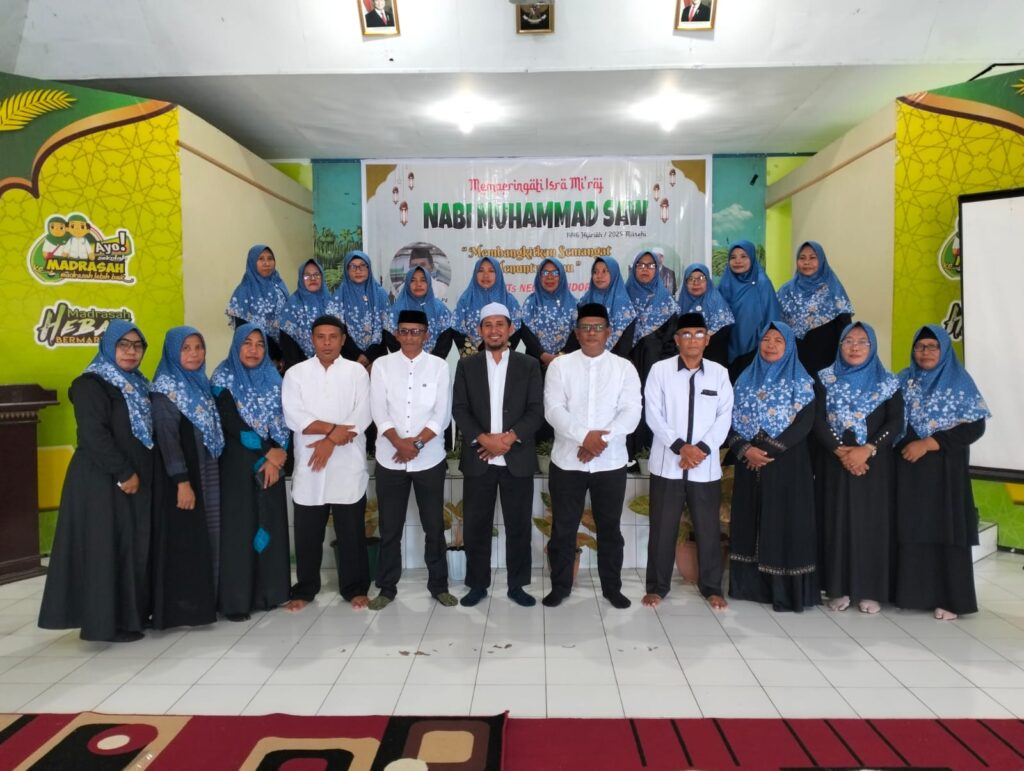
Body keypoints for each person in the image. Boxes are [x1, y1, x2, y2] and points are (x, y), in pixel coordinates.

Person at [39, 320, 154, 642]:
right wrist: (123, 473)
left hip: (132, 479)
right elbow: (93, 434)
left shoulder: (138, 383)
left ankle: (130, 616)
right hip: (102, 481)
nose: (131, 352)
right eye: (123, 344)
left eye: (137, 346)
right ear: (108, 346)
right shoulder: (90, 384)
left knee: (128, 548)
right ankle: (104, 624)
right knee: (105, 549)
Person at [543, 303, 642, 609]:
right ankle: (560, 586)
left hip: (609, 463)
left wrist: (600, 441)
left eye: (598, 327)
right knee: (563, 528)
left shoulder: (624, 368)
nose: (591, 333)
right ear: (577, 332)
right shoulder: (560, 366)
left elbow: (631, 412)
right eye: (585, 327)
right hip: (567, 461)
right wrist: (585, 437)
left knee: (609, 529)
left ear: (608, 332)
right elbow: (554, 410)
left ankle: (612, 588)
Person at [452, 302, 545, 607]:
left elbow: (536, 410)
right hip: (479, 458)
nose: (494, 330)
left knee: (518, 526)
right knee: (476, 526)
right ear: (480, 330)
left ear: (510, 329)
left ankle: (517, 586)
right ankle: (477, 585)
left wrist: (508, 439)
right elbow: (459, 409)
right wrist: (484, 439)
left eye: (500, 325)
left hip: (516, 457)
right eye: (488, 325)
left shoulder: (528, 365)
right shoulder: (467, 365)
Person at [894, 325, 990, 620]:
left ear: (945, 350)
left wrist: (928, 443)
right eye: (920, 346)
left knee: (946, 530)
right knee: (911, 528)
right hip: (908, 470)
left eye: (932, 347)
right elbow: (890, 418)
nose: (925, 352)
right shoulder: (904, 380)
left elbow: (975, 427)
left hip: (945, 471)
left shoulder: (959, 382)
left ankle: (951, 599)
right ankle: (912, 594)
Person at [642, 312, 733, 610]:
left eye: (699, 334)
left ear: (707, 340)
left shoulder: (719, 373)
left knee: (708, 529)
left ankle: (711, 588)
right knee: (662, 529)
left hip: (704, 467)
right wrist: (681, 447)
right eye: (686, 334)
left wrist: (700, 450)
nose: (693, 340)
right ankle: (657, 587)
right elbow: (653, 414)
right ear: (677, 339)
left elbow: (724, 417)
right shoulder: (660, 371)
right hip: (668, 464)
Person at [726, 321, 819, 613]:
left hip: (787, 462)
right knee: (749, 518)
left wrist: (767, 450)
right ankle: (749, 587)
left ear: (789, 346)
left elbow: (805, 423)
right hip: (748, 461)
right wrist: (745, 449)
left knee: (785, 522)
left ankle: (785, 591)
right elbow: (726, 419)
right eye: (766, 339)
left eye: (779, 340)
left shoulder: (801, 381)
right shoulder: (744, 379)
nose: (771, 345)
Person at [282, 316, 372, 612]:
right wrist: (333, 431)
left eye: (333, 337)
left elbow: (363, 415)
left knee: (351, 532)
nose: (327, 343)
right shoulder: (296, 374)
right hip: (310, 464)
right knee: (307, 532)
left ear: (343, 340)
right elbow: (294, 416)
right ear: (312, 339)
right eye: (321, 337)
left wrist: (329, 441)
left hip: (347, 462)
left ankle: (355, 588)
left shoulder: (357, 372)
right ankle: (306, 588)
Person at [368, 309, 456, 609]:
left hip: (428, 459)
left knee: (434, 526)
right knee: (390, 527)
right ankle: (386, 588)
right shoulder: (382, 366)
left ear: (426, 335)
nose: (409, 337)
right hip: (390, 458)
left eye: (416, 331)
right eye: (404, 331)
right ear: (396, 334)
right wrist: (398, 442)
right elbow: (378, 410)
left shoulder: (439, 367)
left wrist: (416, 444)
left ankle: (439, 586)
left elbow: (441, 415)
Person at [813, 322, 903, 614]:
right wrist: (841, 451)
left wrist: (868, 449)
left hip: (874, 465)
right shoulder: (825, 378)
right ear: (840, 345)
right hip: (834, 463)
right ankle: (837, 588)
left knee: (870, 525)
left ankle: (869, 590)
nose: (855, 347)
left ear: (872, 346)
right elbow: (817, 419)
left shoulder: (887, 383)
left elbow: (895, 421)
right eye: (848, 341)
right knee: (835, 522)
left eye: (862, 342)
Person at [211, 324, 291, 621]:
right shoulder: (223, 377)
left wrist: (277, 456)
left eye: (259, 344)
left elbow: (286, 421)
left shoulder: (274, 379)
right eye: (247, 343)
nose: (254, 350)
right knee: (240, 528)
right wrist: (268, 452)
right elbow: (231, 422)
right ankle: (237, 601)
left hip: (272, 463)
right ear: (236, 346)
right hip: (237, 462)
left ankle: (270, 593)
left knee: (269, 523)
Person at [150, 326, 223, 630]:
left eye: (198, 347)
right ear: (172, 352)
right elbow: (168, 440)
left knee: (208, 536)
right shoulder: (165, 390)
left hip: (205, 472)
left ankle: (208, 601)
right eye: (186, 348)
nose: (194, 354)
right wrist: (182, 481)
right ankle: (185, 608)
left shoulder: (201, 385)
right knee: (186, 542)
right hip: (183, 479)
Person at [625, 250, 679, 458]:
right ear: (633, 269)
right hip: (626, 366)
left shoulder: (666, 302)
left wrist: (662, 367)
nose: (645, 269)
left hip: (655, 368)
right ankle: (628, 455)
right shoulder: (623, 298)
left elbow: (672, 342)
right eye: (640, 265)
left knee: (653, 407)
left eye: (650, 265)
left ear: (657, 269)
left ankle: (649, 455)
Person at [778, 241, 855, 381]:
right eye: (802, 258)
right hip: (793, 362)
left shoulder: (833, 290)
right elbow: (777, 327)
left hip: (826, 362)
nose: (807, 262)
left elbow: (845, 330)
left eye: (813, 258)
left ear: (822, 261)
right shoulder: (785, 291)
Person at [718, 240, 783, 382]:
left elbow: (771, 316)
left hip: (755, 347)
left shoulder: (762, 283)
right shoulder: (724, 284)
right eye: (733, 257)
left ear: (752, 258)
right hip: (727, 347)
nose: (738, 261)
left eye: (743, 256)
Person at [326, 250, 393, 369]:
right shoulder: (339, 295)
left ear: (369, 268)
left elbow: (386, 329)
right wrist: (358, 355)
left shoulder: (380, 293)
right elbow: (338, 330)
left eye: (362, 266)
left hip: (377, 358)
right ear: (347, 270)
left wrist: (369, 355)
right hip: (348, 357)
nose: (358, 271)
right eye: (353, 266)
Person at [225, 244, 289, 365]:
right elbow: (244, 331)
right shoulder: (243, 292)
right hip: (255, 354)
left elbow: (288, 323)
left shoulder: (280, 287)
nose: (266, 263)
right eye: (261, 259)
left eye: (270, 258)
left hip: (284, 355)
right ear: (252, 262)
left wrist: (286, 355)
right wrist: (276, 354)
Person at [451, 256, 523, 354]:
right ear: (475, 274)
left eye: (491, 271)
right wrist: (474, 355)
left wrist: (500, 352)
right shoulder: (465, 300)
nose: (485, 275)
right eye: (481, 271)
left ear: (498, 274)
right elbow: (457, 330)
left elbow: (515, 331)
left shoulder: (509, 301)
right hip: (471, 357)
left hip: (502, 356)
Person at [519, 258, 578, 368]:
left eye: (555, 273)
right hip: (536, 363)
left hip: (566, 363)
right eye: (545, 273)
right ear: (539, 276)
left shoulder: (573, 304)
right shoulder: (530, 303)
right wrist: (543, 355)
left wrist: (560, 356)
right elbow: (526, 334)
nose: (549, 277)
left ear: (561, 276)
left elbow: (577, 335)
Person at [387, 265, 455, 358]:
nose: (418, 284)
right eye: (413, 280)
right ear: (407, 283)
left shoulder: (440, 309)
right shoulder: (397, 309)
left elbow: (445, 339)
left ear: (429, 283)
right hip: (403, 361)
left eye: (423, 280)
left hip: (433, 363)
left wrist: (433, 361)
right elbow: (391, 339)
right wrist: (408, 358)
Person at [575, 257, 637, 357]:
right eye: (595, 272)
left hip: (616, 361)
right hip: (584, 359)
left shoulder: (625, 307)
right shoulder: (584, 303)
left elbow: (625, 346)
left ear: (614, 274)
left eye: (604, 271)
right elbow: (577, 337)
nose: (599, 276)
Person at [677, 263, 734, 367]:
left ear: (708, 281)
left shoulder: (717, 304)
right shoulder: (680, 304)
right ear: (685, 283)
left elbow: (720, 343)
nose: (696, 283)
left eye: (701, 278)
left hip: (713, 362)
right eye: (691, 279)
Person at [279, 259, 330, 371]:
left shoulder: (331, 302)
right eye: (307, 276)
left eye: (316, 275)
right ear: (301, 279)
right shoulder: (292, 305)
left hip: (331, 365)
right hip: (300, 366)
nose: (313, 279)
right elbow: (287, 342)